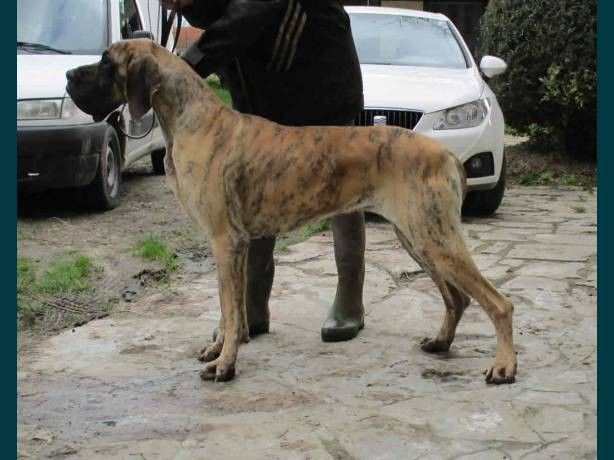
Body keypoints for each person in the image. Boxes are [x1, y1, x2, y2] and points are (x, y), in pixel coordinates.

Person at [160, 0, 365, 342]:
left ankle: (350, 298)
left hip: (320, 74)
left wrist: (184, 67)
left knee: (343, 185)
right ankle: (252, 307)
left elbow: (247, 14)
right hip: (261, 81)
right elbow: (218, 13)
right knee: (255, 183)